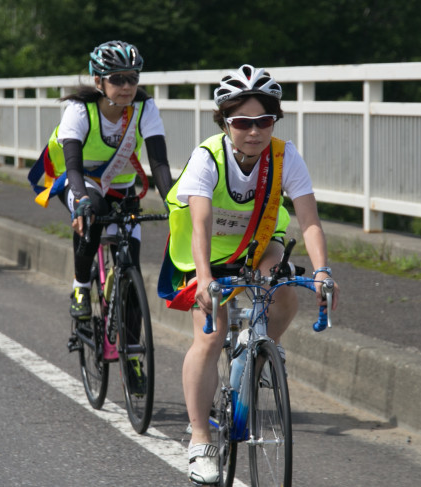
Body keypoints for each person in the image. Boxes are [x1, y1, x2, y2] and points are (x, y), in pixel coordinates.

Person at [161, 64, 340, 484]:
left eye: (265, 121)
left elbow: (309, 220)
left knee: (284, 293)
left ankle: (259, 346)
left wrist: (322, 271)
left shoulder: (284, 156)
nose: (255, 131)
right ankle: (201, 439)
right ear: (225, 121)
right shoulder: (208, 157)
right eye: (242, 122)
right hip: (204, 254)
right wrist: (204, 278)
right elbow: (201, 224)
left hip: (260, 246)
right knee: (210, 332)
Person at [29, 40, 172, 322]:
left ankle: (133, 358)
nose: (127, 86)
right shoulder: (80, 110)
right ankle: (81, 287)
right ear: (98, 81)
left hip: (121, 187)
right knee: (93, 212)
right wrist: (81, 199)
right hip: (78, 179)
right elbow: (72, 166)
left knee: (132, 269)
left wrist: (174, 203)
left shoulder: (144, 107)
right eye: (117, 79)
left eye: (132, 78)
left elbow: (159, 163)